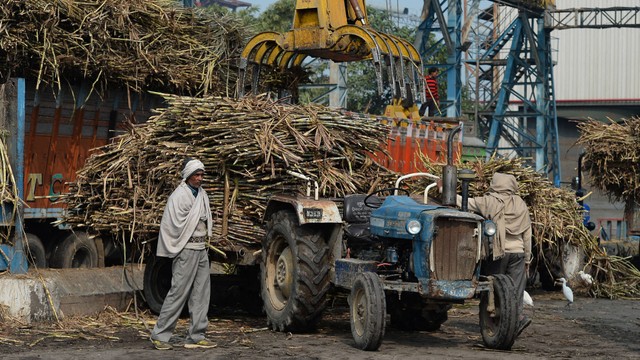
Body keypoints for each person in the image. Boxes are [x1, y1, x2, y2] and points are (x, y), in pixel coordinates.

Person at [150, 158, 216, 350]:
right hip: (185, 250)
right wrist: (180, 246)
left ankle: (196, 335)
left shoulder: (202, 195)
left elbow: (204, 219)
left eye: (202, 175)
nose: (200, 178)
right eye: (197, 175)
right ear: (188, 176)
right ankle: (160, 336)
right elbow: (172, 225)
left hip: (201, 250)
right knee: (178, 292)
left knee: (202, 293)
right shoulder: (179, 196)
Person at [460, 173, 532, 337]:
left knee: (493, 287)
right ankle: (518, 317)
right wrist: (527, 258)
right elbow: (528, 234)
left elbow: (465, 202)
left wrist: (443, 189)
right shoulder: (520, 204)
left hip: (498, 253)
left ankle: (493, 322)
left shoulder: (488, 201)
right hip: (518, 253)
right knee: (516, 289)